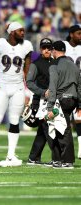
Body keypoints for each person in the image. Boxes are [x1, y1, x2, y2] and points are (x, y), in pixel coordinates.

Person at [0, 22, 33, 167]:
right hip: (2, 87)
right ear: (11, 32)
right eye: (20, 30)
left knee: (14, 120)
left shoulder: (26, 46)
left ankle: (11, 155)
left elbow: (27, 70)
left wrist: (28, 89)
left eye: (24, 30)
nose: (23, 33)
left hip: (18, 88)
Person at [46, 41, 81, 169]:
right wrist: (80, 105)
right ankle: (57, 159)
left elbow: (53, 87)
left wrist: (50, 107)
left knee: (61, 129)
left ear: (54, 50)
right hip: (73, 100)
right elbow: (80, 86)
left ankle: (66, 160)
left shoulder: (54, 66)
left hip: (61, 100)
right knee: (58, 126)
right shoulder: (74, 65)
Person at [25, 38, 55, 165]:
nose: (47, 50)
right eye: (44, 48)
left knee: (43, 130)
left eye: (49, 48)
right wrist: (42, 92)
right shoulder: (35, 64)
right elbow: (29, 82)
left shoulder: (55, 62)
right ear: (40, 49)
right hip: (41, 100)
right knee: (48, 128)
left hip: (53, 99)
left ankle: (33, 157)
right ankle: (57, 157)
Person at [63, 24, 81, 159]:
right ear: (71, 34)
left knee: (79, 117)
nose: (80, 36)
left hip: (79, 85)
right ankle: (63, 151)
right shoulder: (63, 46)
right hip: (66, 85)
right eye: (78, 33)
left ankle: (80, 148)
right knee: (65, 119)